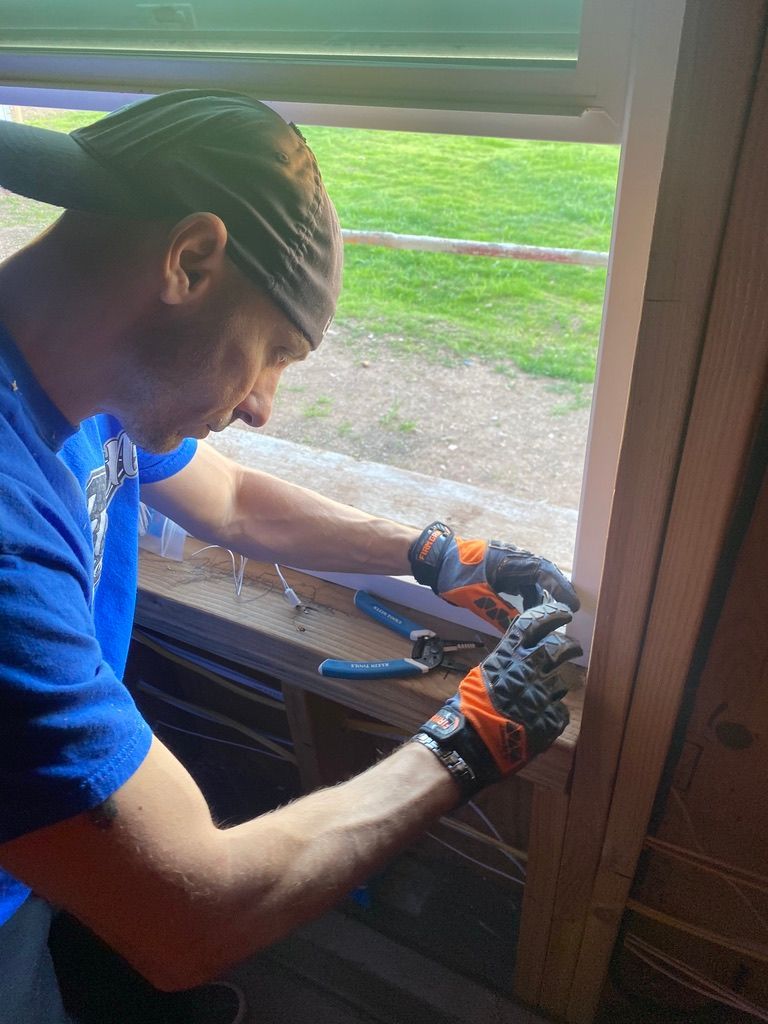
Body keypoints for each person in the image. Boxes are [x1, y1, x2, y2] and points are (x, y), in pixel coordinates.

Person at [0, 90, 581, 1023]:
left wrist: (432, 554)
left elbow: (227, 498)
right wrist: (470, 739)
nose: (264, 404)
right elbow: (190, 916)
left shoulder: (77, 367)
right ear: (191, 260)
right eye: (275, 350)